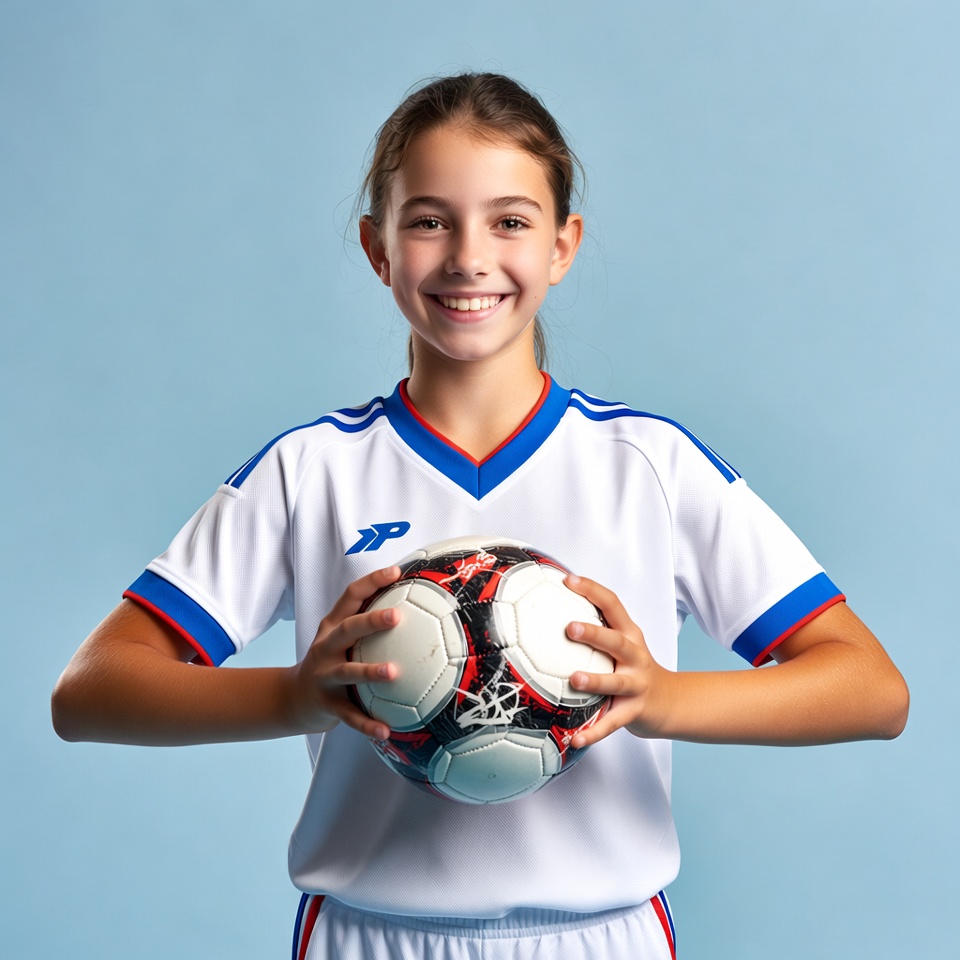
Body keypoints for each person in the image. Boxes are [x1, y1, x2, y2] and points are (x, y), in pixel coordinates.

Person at [52, 72, 908, 960]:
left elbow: (873, 689)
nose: (468, 256)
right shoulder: (310, 472)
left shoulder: (650, 466)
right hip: (372, 933)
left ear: (563, 245)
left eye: (510, 221)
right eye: (428, 220)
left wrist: (661, 698)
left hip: (600, 937)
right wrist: (297, 693)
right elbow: (89, 692)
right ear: (377, 248)